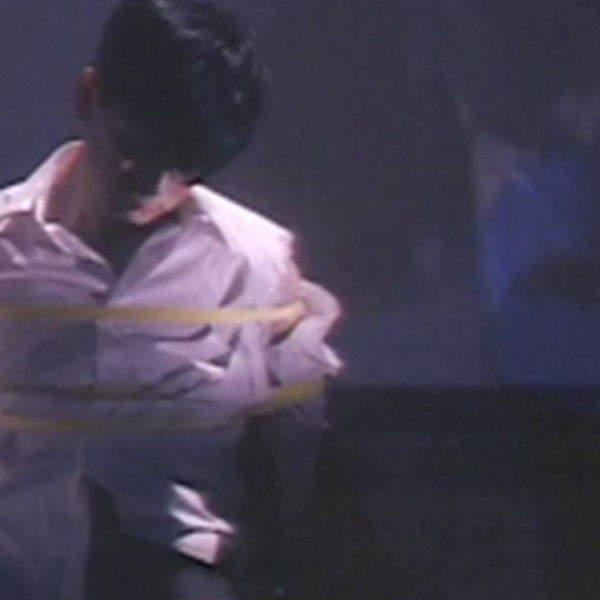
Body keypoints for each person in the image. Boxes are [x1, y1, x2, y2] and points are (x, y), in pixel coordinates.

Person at [0, 1, 341, 598]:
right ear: (90, 95)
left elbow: (290, 449)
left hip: (174, 569)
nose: (151, 184)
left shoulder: (253, 264)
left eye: (182, 165)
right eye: (133, 143)